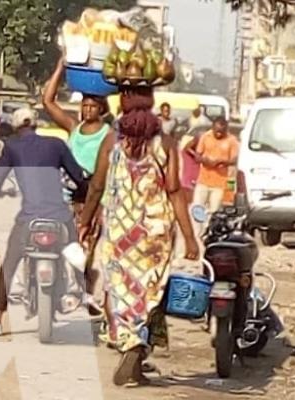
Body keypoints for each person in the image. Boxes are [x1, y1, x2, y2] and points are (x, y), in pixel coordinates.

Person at [79, 86, 200, 386]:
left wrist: (85, 220)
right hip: (156, 233)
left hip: (121, 230)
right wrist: (190, 237)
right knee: (151, 292)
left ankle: (130, 346)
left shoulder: (112, 141)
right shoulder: (167, 143)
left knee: (121, 290)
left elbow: (96, 186)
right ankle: (138, 348)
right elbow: (174, 190)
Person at [0, 108, 88, 337]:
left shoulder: (12, 147)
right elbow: (78, 176)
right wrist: (81, 196)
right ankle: (84, 293)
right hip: (59, 216)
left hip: (30, 219)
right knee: (77, 249)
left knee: (9, 262)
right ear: (36, 124)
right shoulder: (57, 144)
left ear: (17, 127)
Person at [43, 57, 113, 308]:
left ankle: (85, 291)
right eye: (84, 105)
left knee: (88, 246)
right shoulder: (74, 127)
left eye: (93, 106)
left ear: (102, 109)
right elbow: (48, 102)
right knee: (61, 242)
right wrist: (61, 66)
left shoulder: (109, 134)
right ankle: (63, 286)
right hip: (67, 195)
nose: (87, 110)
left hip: (94, 197)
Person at [188, 117, 239, 234]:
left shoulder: (231, 140)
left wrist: (220, 161)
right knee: (197, 209)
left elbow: (234, 160)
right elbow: (197, 155)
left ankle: (207, 233)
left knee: (213, 211)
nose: (219, 134)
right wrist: (205, 160)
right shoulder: (206, 137)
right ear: (212, 128)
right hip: (203, 181)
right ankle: (196, 234)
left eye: (221, 131)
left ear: (226, 129)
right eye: (217, 131)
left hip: (219, 183)